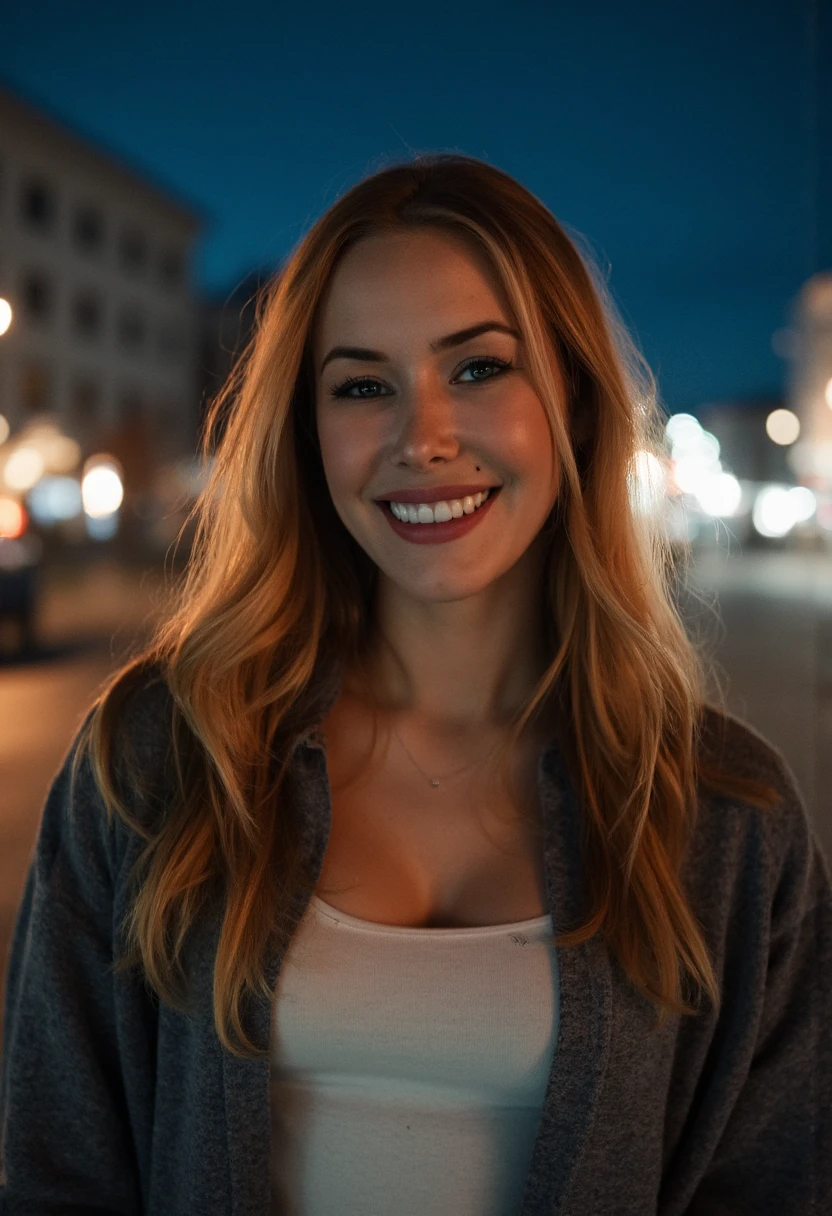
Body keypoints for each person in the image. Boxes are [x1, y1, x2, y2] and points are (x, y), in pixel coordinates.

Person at [1, 154, 830, 1215]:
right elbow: (57, 1173)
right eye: (361, 385)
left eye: (478, 368)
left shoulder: (727, 815)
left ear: (571, 398)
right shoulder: (157, 758)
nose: (422, 437)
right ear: (305, 434)